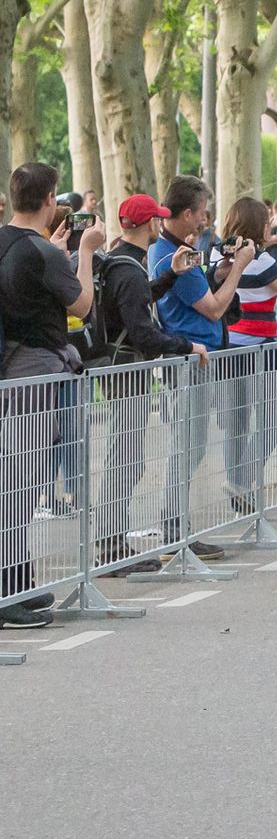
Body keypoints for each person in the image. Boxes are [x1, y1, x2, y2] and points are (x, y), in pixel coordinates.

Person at [0, 163, 104, 626]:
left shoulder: (11, 243)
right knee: (21, 481)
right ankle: (7, 592)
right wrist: (86, 252)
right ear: (49, 200)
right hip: (34, 370)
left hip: (9, 367)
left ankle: (18, 580)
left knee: (17, 477)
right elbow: (82, 304)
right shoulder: (43, 252)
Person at [90, 193, 204, 575]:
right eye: (157, 219)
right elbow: (143, 333)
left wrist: (170, 275)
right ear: (148, 224)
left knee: (127, 457)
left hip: (120, 371)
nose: (161, 224)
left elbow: (136, 304)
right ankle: (110, 546)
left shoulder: (119, 261)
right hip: (128, 374)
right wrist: (187, 345)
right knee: (125, 459)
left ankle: (112, 542)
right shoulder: (129, 270)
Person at [150, 176, 254, 563]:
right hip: (190, 359)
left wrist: (218, 275)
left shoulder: (174, 251)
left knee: (189, 447)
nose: (205, 221)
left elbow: (202, 294)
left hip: (195, 356)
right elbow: (212, 308)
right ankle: (174, 532)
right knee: (187, 448)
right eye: (202, 213)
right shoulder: (173, 256)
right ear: (186, 213)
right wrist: (239, 268)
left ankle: (177, 529)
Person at [218, 196, 277, 514]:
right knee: (275, 418)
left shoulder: (218, 255)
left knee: (236, 421)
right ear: (259, 227)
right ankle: (243, 481)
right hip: (261, 348)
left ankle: (235, 487)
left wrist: (266, 243)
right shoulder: (263, 263)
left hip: (228, 347)